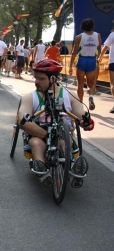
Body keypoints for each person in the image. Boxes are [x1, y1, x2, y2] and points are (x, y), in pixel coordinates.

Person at [18, 59, 94, 187]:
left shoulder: (68, 96)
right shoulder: (30, 97)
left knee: (64, 141)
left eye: (41, 79)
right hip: (39, 134)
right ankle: (42, 172)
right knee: (35, 143)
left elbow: (80, 114)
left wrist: (86, 123)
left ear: (53, 79)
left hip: (62, 134)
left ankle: (74, 168)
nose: (36, 82)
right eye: (35, 78)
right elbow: (22, 120)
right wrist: (47, 136)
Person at [69, 18, 102, 110]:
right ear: (92, 26)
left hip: (82, 59)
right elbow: (99, 48)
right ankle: (91, 97)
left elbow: (74, 52)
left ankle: (80, 105)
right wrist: (98, 60)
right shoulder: (97, 35)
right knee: (90, 83)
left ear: (83, 26)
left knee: (80, 84)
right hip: (92, 60)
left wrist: (71, 66)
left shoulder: (79, 37)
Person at [98, 29, 114, 113]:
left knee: (113, 84)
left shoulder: (112, 35)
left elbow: (105, 48)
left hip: (113, 62)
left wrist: (100, 57)